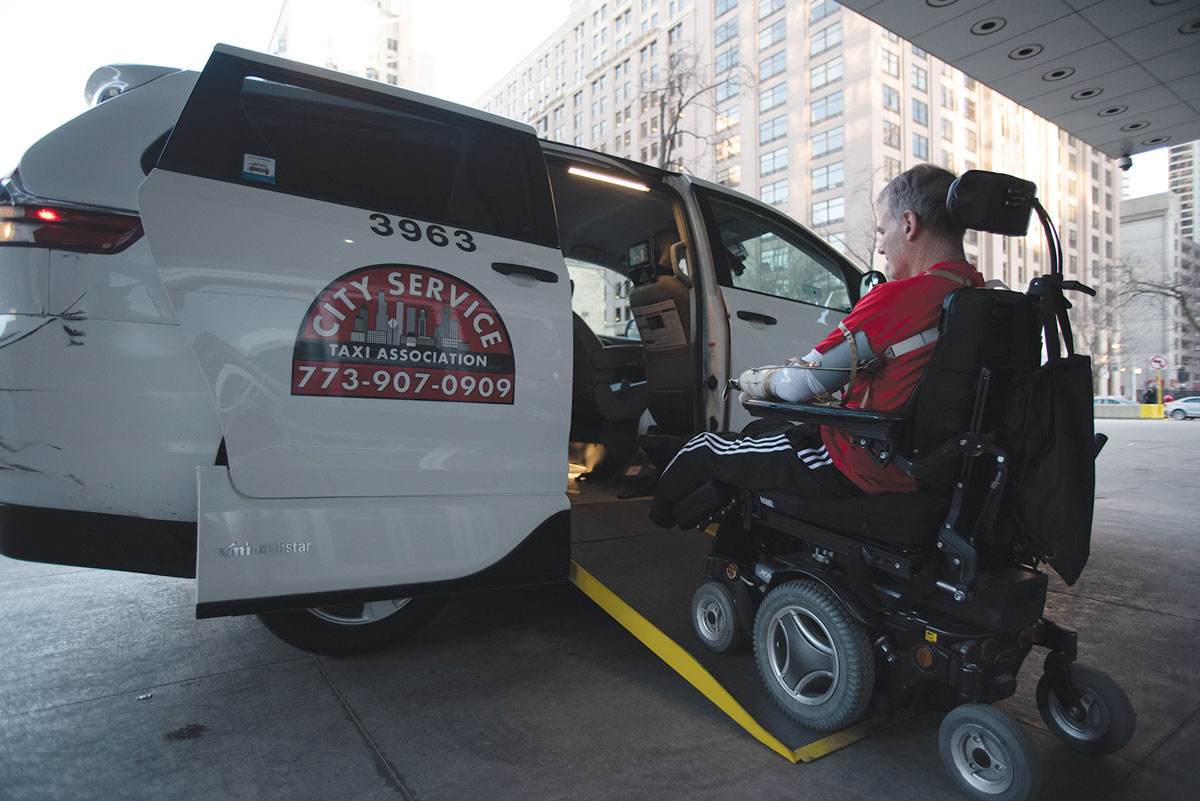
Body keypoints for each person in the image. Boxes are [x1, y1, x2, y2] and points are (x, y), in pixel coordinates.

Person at [649, 164, 985, 528]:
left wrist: (754, 381)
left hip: (859, 461)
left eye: (883, 231)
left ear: (908, 224)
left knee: (704, 449)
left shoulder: (902, 298)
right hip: (930, 466)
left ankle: (653, 537)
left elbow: (800, 384)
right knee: (757, 435)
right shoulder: (980, 296)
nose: (883, 247)